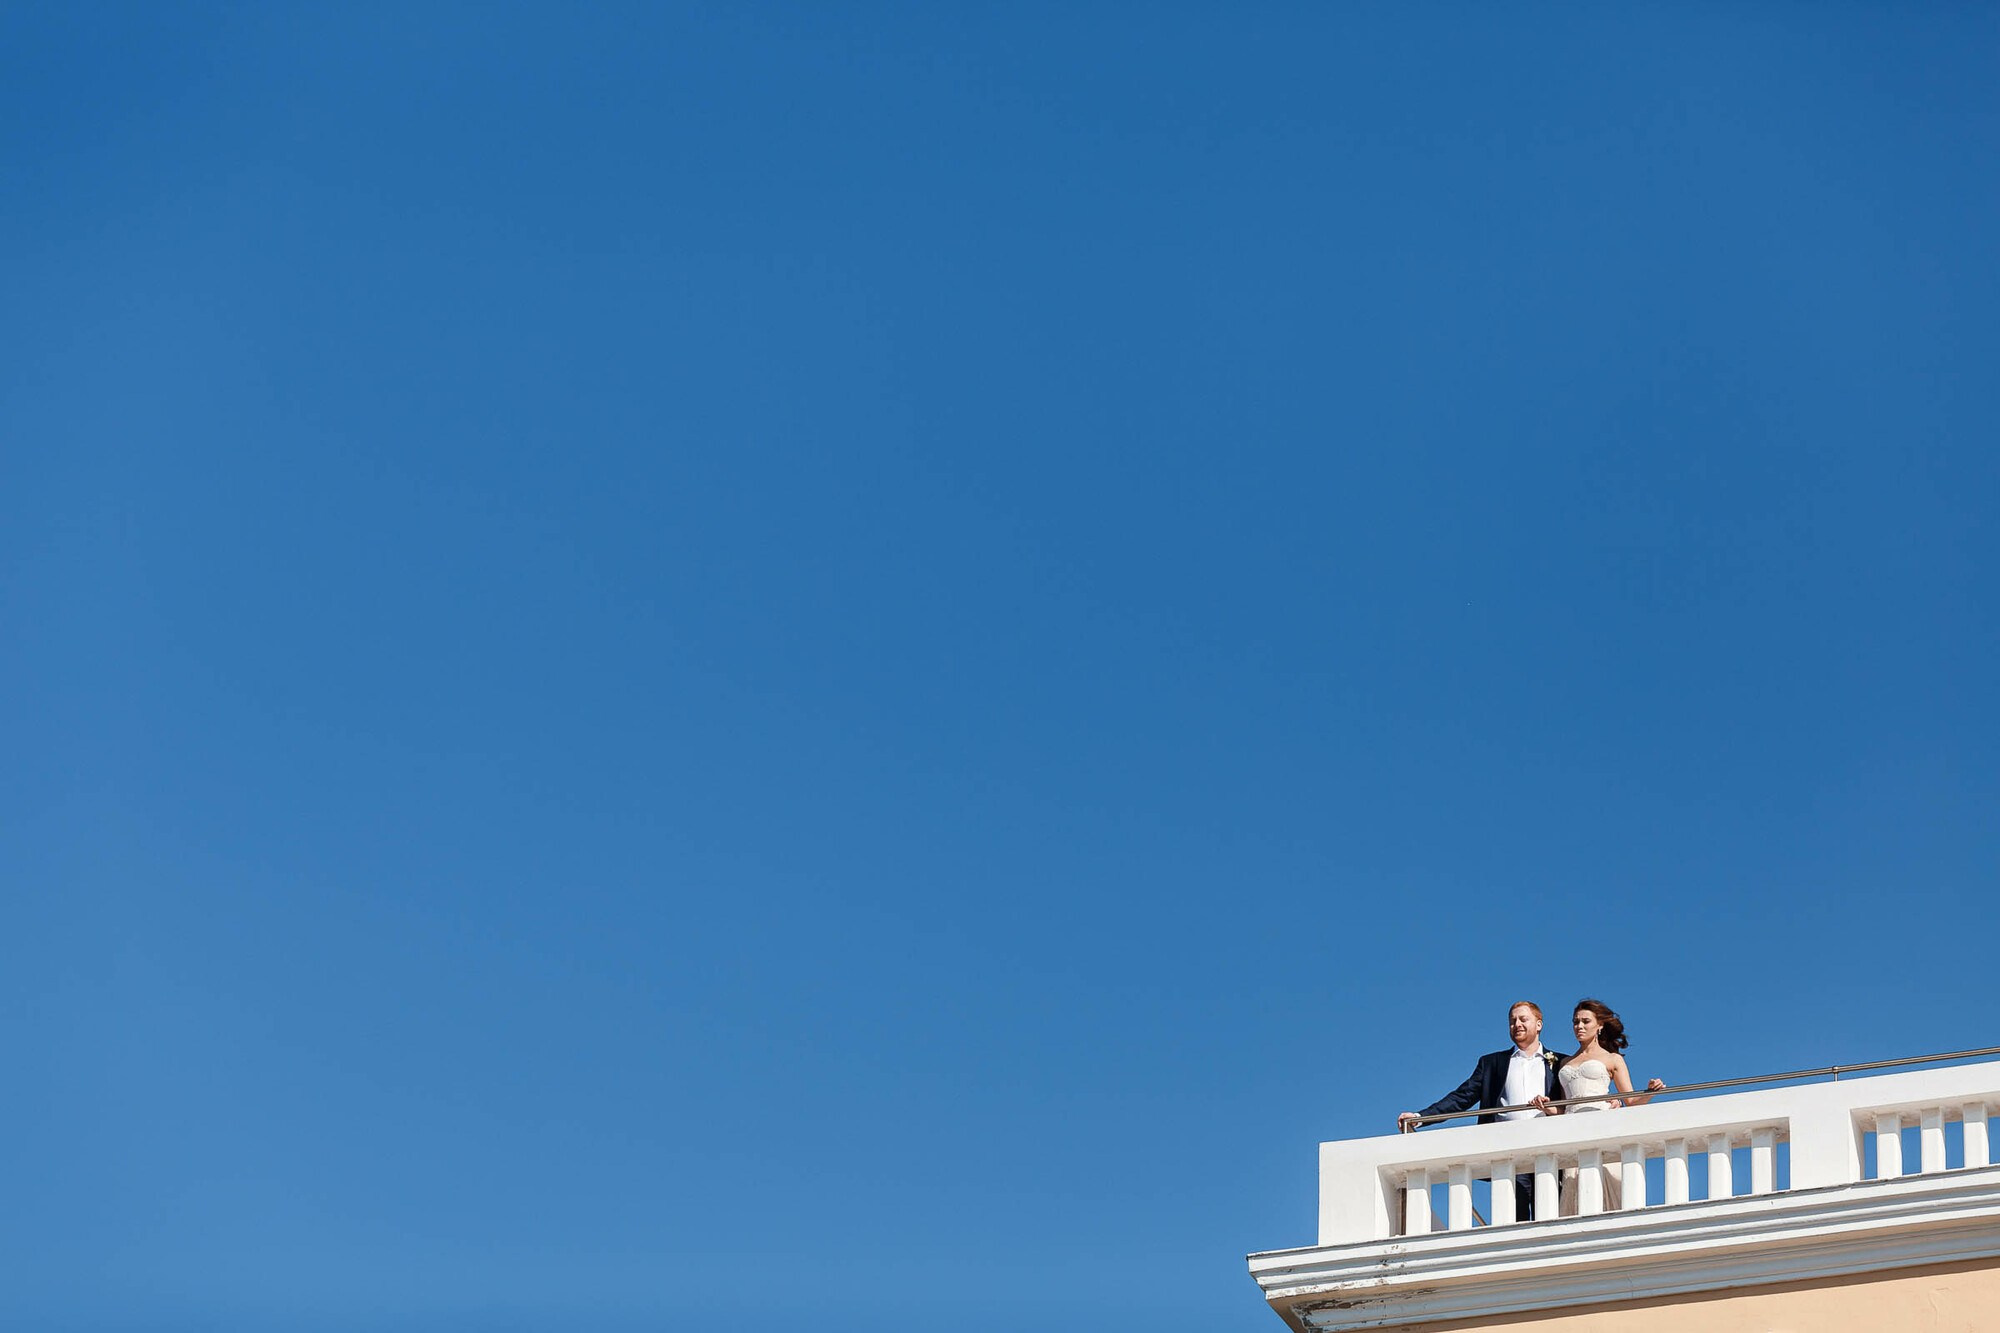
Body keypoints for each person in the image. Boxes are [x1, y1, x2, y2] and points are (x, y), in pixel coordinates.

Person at [1398, 1001, 1566, 1219]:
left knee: (1551, 1216)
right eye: (1512, 1021)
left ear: (1539, 1024)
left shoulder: (1560, 1062)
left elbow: (1573, 1101)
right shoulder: (1492, 1063)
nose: (1517, 1024)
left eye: (1523, 1019)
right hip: (1509, 1152)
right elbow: (1463, 1097)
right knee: (1514, 1219)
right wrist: (1421, 1117)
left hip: (1549, 1148)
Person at [1531, 998, 1667, 1214]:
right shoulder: (1565, 1063)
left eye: (1585, 1021)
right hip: (1572, 1131)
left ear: (1600, 1025)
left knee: (1607, 1184)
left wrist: (1650, 1092)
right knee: (1575, 1186)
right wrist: (1546, 1107)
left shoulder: (1612, 1059)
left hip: (1602, 1125)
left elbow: (1630, 1101)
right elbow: (1565, 1109)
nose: (1579, 1026)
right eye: (1576, 1022)